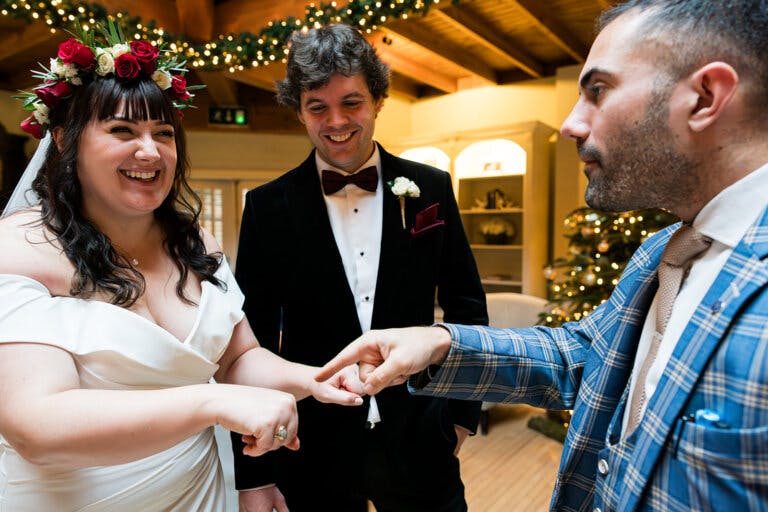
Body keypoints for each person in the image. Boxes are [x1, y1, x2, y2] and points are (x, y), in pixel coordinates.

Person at [318, 1, 768, 510]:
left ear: (705, 97)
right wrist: (440, 343)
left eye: (598, 91)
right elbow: (584, 358)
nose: (571, 124)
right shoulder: (657, 256)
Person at [0, 25, 364, 512]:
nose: (150, 151)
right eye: (122, 131)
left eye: (164, 134)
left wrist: (313, 378)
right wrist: (211, 402)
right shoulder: (18, 249)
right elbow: (37, 426)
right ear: (66, 141)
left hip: (200, 495)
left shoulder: (196, 244)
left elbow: (238, 360)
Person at [232, 23, 488, 512]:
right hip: (310, 447)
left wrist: (461, 416)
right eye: (317, 107)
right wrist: (255, 477)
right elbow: (250, 344)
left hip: (421, 438)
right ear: (299, 111)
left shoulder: (431, 187)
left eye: (352, 102)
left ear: (378, 100)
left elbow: (466, 305)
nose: (336, 121)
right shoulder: (267, 207)